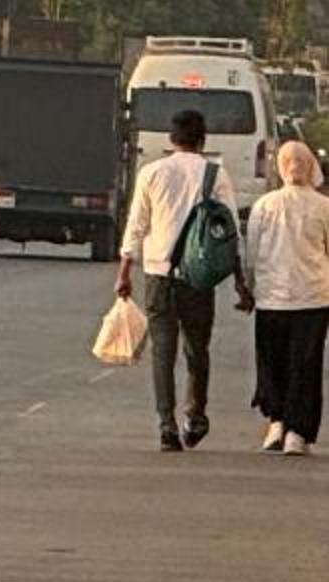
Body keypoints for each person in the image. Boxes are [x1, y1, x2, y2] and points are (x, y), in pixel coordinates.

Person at [119, 106, 227, 450]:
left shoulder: (151, 173)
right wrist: (240, 278)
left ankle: (165, 425)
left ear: (171, 139)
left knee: (162, 351)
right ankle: (195, 416)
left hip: (158, 274)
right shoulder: (215, 175)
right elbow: (229, 231)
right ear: (202, 139)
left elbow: (137, 224)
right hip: (198, 277)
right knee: (197, 349)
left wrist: (124, 272)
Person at [243, 138, 329, 453]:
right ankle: (298, 432)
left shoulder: (265, 205)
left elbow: (251, 254)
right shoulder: (324, 207)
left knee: (272, 362)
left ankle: (276, 422)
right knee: (305, 366)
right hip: (314, 300)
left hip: (271, 300)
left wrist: (249, 288)